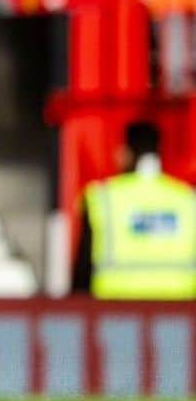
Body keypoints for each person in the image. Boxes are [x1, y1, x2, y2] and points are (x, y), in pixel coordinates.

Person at [73, 122, 196, 299]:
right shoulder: (188, 200)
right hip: (179, 316)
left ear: (127, 153)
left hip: (115, 313)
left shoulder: (102, 199)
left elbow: (82, 269)